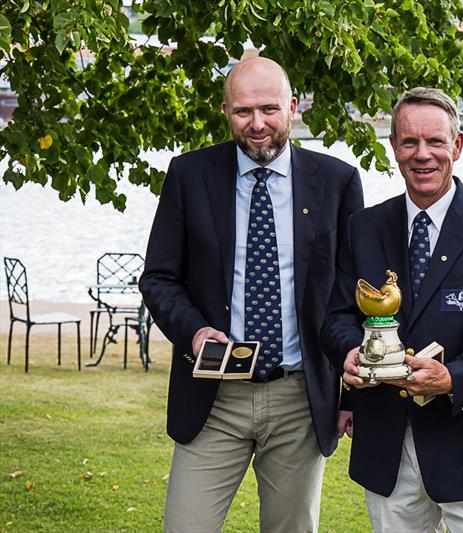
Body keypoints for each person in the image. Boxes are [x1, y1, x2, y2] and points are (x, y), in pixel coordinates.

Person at [139, 57, 364, 532]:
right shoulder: (188, 175)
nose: (257, 124)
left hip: (300, 397)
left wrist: (352, 397)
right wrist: (195, 331)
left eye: (269, 109)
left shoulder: (339, 182)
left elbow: (351, 296)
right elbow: (158, 278)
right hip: (213, 395)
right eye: (243, 111)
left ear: (293, 107)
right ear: (225, 111)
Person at [321, 87, 463, 532]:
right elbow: (338, 316)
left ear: (457, 145)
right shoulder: (362, 228)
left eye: (435, 141)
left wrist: (453, 377)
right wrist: (347, 354)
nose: (423, 155)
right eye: (409, 142)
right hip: (385, 440)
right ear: (393, 147)